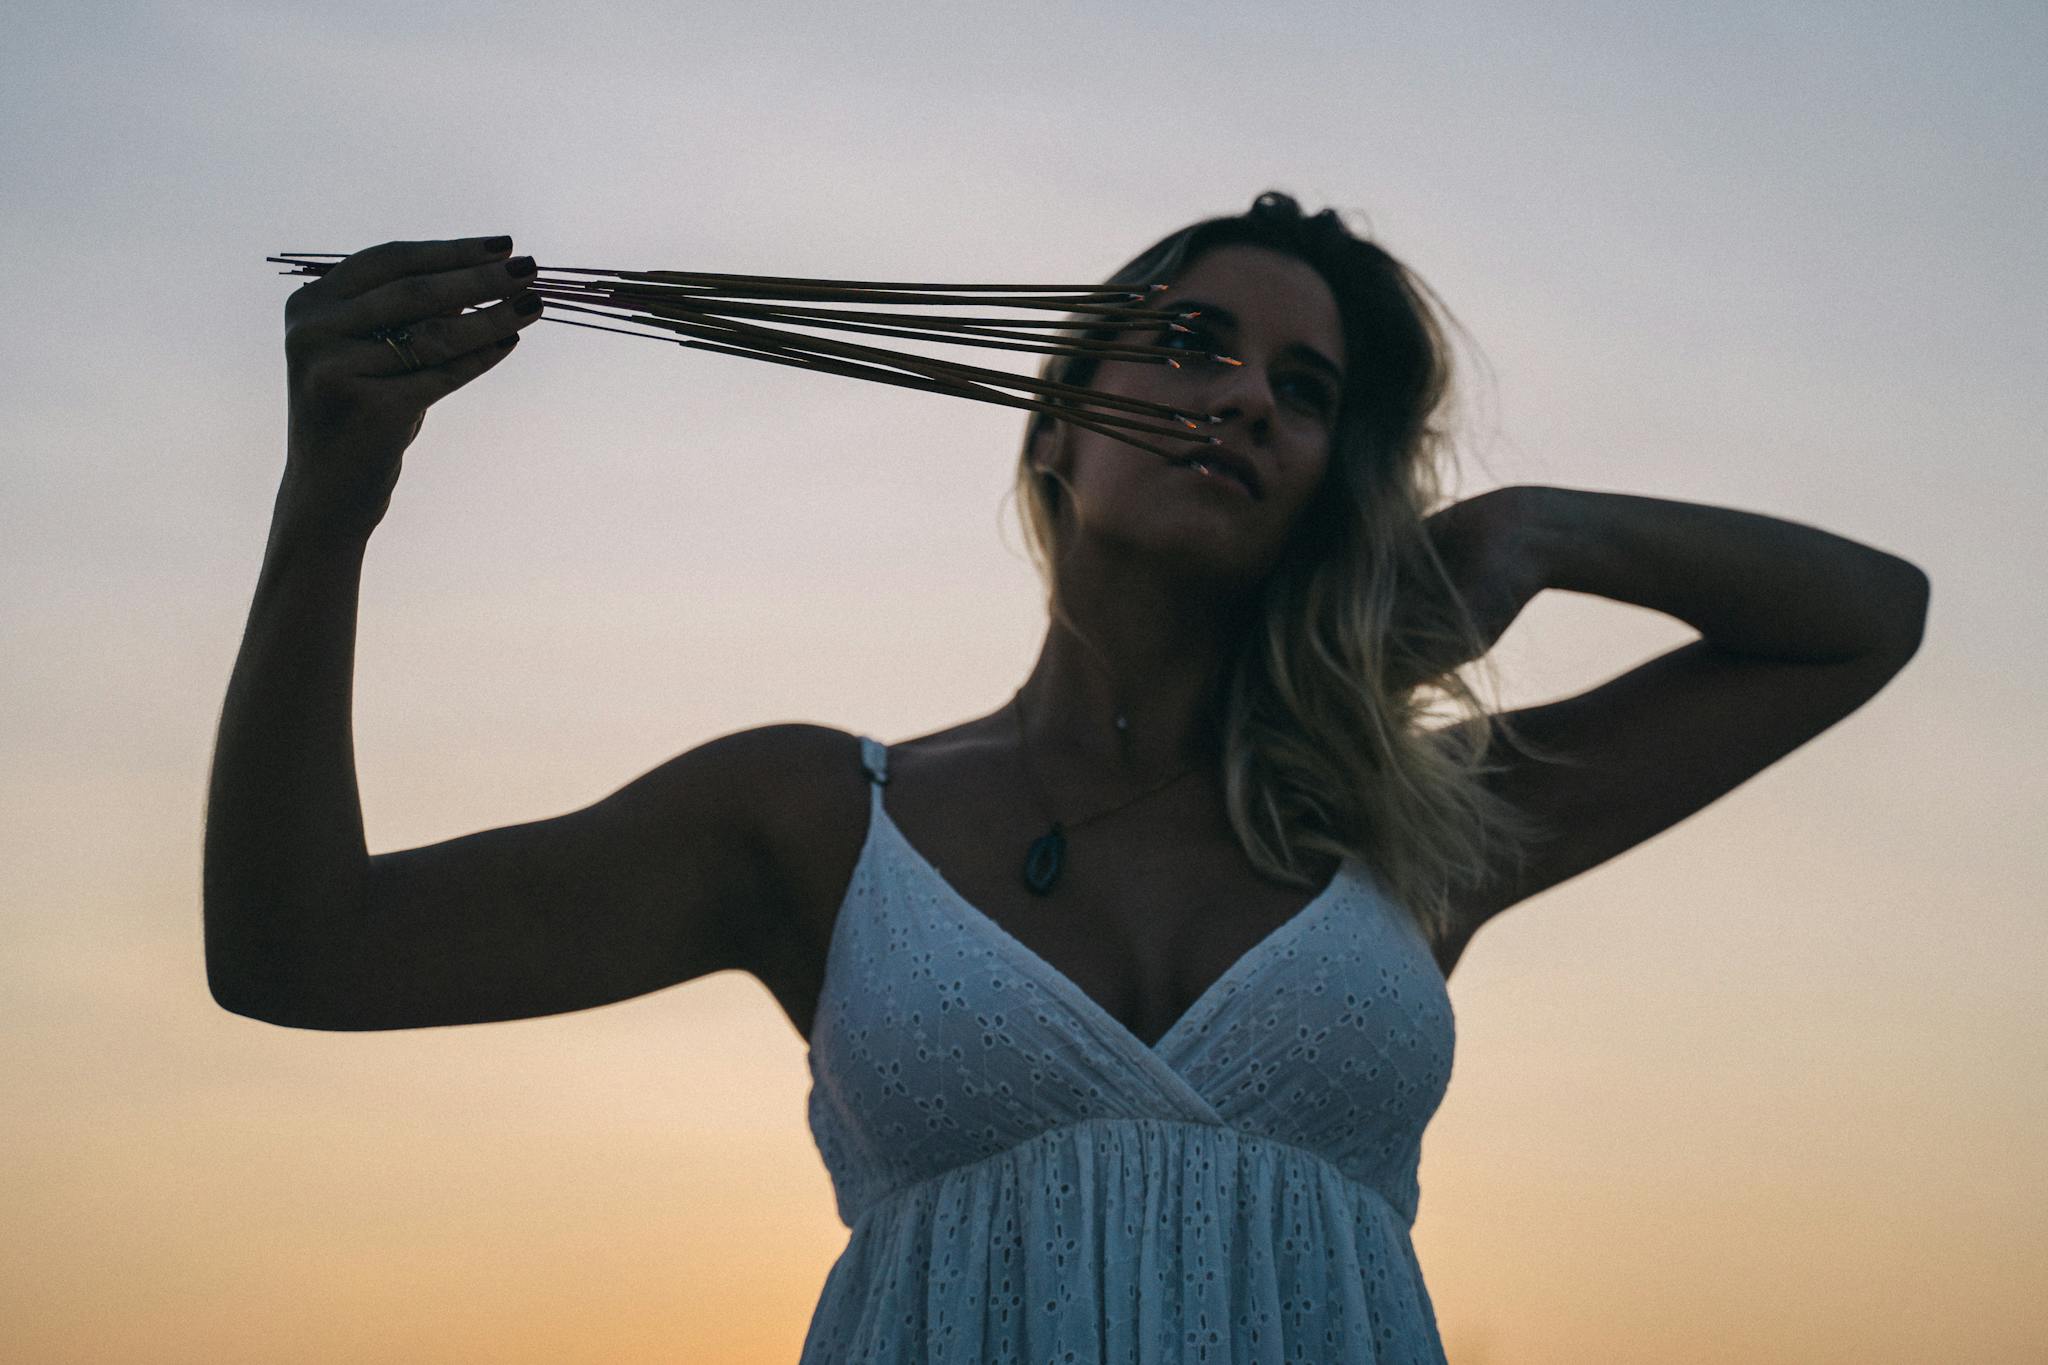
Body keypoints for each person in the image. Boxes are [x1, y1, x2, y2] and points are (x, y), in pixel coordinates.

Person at [204, 192, 1929, 1363]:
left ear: (1335, 482)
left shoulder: (1414, 837)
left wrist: (1543, 532)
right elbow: (301, 949)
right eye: (1190, 344)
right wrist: (332, 502)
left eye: (1303, 388)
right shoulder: (818, 819)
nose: (1242, 395)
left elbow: (1866, 621)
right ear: (1054, 419)